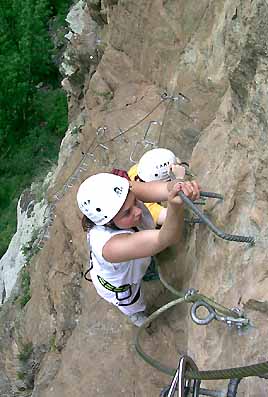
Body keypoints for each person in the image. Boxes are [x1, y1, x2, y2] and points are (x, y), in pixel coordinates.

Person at [77, 172, 200, 326]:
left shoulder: (121, 193)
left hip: (135, 258)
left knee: (144, 263)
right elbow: (166, 239)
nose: (138, 211)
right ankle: (136, 315)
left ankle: (147, 271)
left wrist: (177, 186)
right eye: (127, 213)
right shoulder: (110, 247)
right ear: (108, 223)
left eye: (135, 201)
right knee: (133, 304)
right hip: (121, 285)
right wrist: (175, 207)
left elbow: (161, 189)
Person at [128, 148, 186, 226]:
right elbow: (172, 217)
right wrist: (179, 179)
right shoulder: (147, 207)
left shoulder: (136, 170)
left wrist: (175, 164)